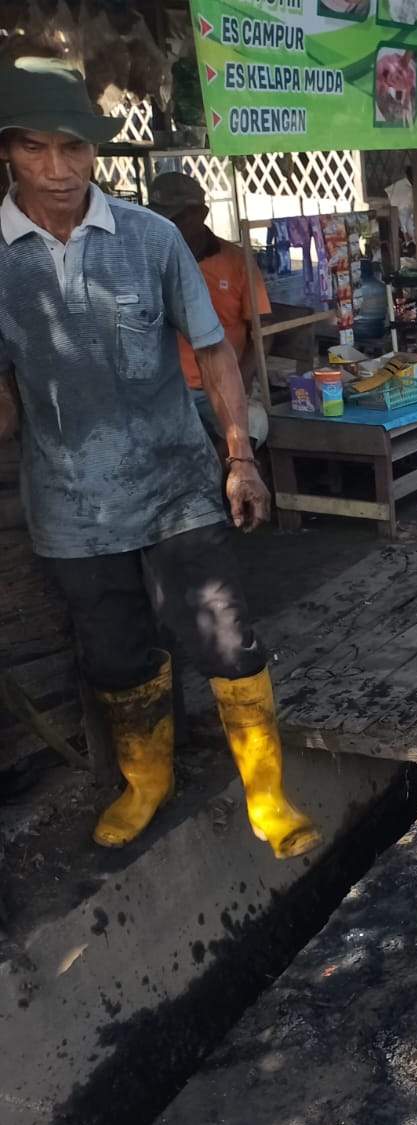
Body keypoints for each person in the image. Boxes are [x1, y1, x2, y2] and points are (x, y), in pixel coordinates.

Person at [0, 59, 319, 858]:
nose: (59, 169)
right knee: (114, 649)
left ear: (96, 152)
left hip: (175, 479)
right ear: (9, 151)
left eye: (75, 149)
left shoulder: (148, 239)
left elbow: (213, 355)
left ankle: (267, 794)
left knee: (224, 634)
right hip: (70, 499)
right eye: (37, 149)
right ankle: (147, 782)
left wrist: (239, 460)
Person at [147, 171, 273, 449]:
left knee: (249, 426)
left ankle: (233, 482)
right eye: (159, 217)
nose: (167, 225)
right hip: (165, 390)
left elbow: (262, 333)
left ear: (200, 214)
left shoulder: (238, 263)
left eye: (176, 217)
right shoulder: (148, 261)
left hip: (220, 388)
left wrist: (241, 382)